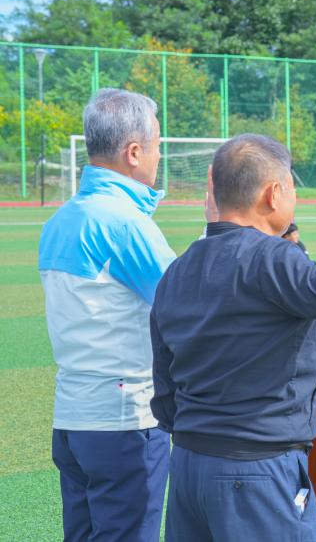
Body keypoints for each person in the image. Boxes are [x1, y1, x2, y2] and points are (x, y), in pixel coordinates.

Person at [150, 137, 316, 541]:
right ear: (273, 194)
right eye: (291, 188)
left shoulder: (180, 267)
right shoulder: (270, 258)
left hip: (189, 463)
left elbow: (164, 376)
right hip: (255, 468)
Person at [38, 88, 175, 541]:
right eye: (156, 145)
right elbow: (184, 305)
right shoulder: (125, 223)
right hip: (124, 421)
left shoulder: (60, 219)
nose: (159, 156)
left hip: (74, 417)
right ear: (134, 152)